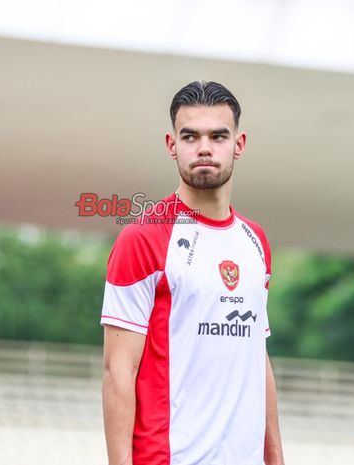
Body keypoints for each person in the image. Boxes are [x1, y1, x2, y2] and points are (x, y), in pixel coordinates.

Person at [101, 81, 284, 465]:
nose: (204, 147)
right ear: (172, 145)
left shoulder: (256, 241)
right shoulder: (143, 238)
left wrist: (276, 458)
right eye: (190, 136)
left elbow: (257, 358)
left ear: (239, 144)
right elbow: (119, 371)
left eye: (218, 135)